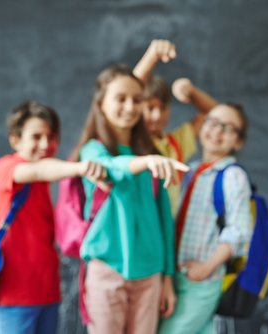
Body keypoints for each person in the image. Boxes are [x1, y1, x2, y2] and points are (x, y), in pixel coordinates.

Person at [73, 64, 189, 334]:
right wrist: (146, 161)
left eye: (136, 99)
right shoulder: (94, 150)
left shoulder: (150, 153)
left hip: (150, 274)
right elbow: (111, 168)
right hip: (106, 270)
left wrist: (167, 278)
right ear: (101, 104)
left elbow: (164, 220)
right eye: (120, 99)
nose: (129, 106)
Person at [0, 100, 107, 334]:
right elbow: (40, 170)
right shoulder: (6, 169)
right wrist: (82, 168)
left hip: (48, 292)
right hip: (13, 296)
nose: (45, 144)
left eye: (51, 137)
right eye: (36, 136)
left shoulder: (42, 181)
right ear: (15, 140)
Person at [158, 103, 253, 334]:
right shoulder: (189, 171)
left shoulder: (233, 175)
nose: (217, 131)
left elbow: (239, 230)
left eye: (228, 128)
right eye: (212, 122)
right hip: (175, 275)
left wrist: (205, 268)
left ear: (238, 141)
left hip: (201, 279)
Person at [133, 39, 218, 215]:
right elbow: (128, 90)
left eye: (163, 108)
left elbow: (217, 114)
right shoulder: (130, 140)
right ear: (136, 107)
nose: (157, 115)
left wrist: (192, 92)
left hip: (168, 232)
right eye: (149, 108)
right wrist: (151, 56)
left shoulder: (175, 143)